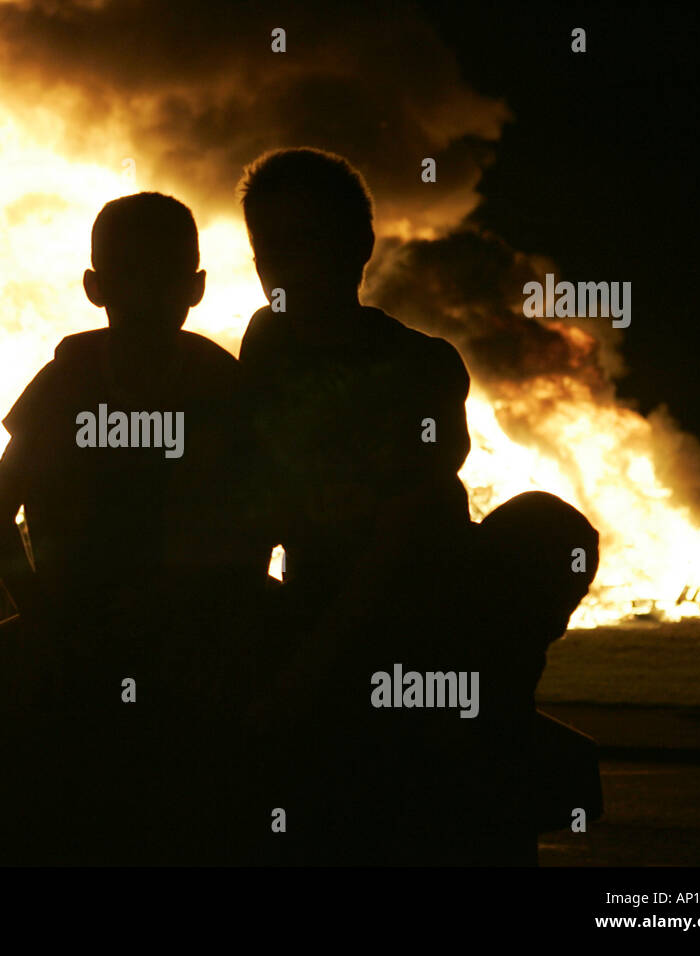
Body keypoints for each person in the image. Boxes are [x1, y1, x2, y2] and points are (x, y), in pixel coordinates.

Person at [235, 147, 600, 864]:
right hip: (322, 594)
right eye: (265, 244)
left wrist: (310, 664)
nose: (280, 263)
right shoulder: (268, 340)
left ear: (358, 247)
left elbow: (398, 538)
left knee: (544, 529)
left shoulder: (419, 366)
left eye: (303, 238)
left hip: (416, 602)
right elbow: (257, 487)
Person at [0, 191, 272, 861]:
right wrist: (44, 618)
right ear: (95, 287)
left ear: (194, 287)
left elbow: (257, 526)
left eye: (162, 278)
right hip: (84, 654)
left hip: (180, 659)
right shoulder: (69, 384)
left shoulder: (216, 388)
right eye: (129, 278)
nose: (145, 297)